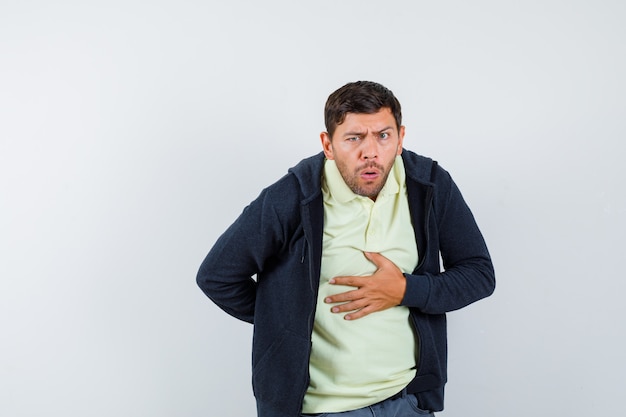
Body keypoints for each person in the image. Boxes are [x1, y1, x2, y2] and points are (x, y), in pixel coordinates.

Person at [197, 81, 495, 417]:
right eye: (354, 138)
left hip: (407, 402)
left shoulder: (430, 184)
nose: (370, 152)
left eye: (383, 136)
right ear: (328, 144)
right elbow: (217, 276)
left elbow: (479, 274)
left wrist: (405, 290)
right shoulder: (293, 197)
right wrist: (287, 318)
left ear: (400, 138)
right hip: (321, 410)